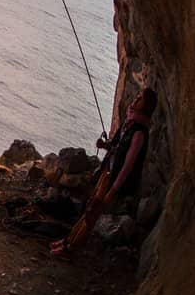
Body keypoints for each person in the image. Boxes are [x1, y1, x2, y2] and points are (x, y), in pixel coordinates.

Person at [50, 87, 159, 255]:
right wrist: (104, 145)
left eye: (140, 99)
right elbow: (116, 146)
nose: (136, 100)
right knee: (89, 208)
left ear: (146, 106)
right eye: (137, 96)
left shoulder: (139, 134)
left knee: (92, 214)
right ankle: (68, 241)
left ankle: (70, 247)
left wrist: (112, 191)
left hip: (113, 181)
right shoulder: (129, 123)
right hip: (107, 173)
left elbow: (128, 165)